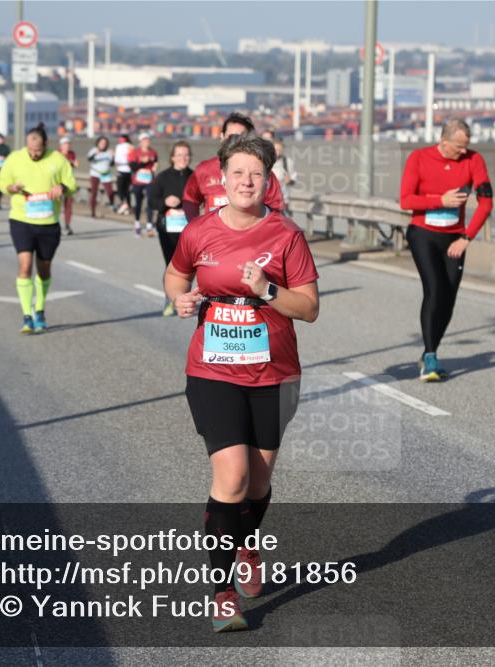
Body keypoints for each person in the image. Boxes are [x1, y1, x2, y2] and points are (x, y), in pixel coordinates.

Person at [164, 134, 319, 633]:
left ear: (268, 180)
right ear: (222, 178)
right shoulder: (200, 231)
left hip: (274, 372)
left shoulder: (287, 235)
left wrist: (267, 290)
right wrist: (181, 298)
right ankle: (223, 593)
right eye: (237, 173)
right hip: (212, 369)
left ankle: (247, 540)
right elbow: (174, 274)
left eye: (256, 174)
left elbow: (310, 308)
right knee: (230, 477)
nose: (246, 182)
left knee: (258, 482)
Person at [399, 119, 494, 381]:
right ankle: (430, 356)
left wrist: (466, 237)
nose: (464, 152)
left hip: (454, 238)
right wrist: (440, 200)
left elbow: (486, 201)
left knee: (449, 297)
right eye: (458, 147)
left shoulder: (473, 160)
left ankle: (430, 350)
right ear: (443, 141)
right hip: (423, 234)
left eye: (467, 146)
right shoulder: (419, 158)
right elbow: (405, 200)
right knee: (435, 289)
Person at [0, 123, 78, 334]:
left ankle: (39, 309)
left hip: (48, 223)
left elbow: (72, 185)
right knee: (24, 266)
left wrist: (63, 187)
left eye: (38, 150)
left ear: (46, 145)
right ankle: (26, 316)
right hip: (21, 220)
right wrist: (10, 187)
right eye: (30, 150)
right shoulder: (15, 158)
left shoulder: (58, 159)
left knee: (43, 269)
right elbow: (1, 181)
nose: (33, 154)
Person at [182, 112, 285, 220]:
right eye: (230, 136)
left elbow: (276, 204)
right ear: (222, 136)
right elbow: (190, 199)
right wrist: (196, 224)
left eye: (240, 137)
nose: (234, 142)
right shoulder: (204, 169)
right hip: (213, 233)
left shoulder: (262, 172)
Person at [147, 140, 193, 315]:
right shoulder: (163, 177)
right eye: (179, 154)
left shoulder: (195, 177)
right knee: (171, 266)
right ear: (172, 157)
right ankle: (170, 299)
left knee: (189, 267)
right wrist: (165, 203)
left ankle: (184, 299)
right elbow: (152, 201)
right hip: (167, 229)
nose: (183, 158)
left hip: (189, 230)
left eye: (186, 155)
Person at [128, 131, 158, 237]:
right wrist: (142, 162)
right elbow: (132, 167)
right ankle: (137, 224)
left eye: (148, 140)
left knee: (150, 201)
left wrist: (155, 167)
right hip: (138, 181)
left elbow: (155, 163)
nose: (147, 142)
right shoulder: (134, 153)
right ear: (140, 142)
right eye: (144, 140)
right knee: (138, 203)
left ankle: (149, 225)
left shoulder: (153, 153)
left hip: (150, 180)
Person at [86, 136, 115, 218]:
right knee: (94, 193)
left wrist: (113, 157)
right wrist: (96, 153)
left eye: (104, 143)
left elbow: (112, 164)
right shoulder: (94, 150)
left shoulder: (109, 152)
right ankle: (93, 212)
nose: (103, 145)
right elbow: (89, 159)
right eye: (101, 143)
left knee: (110, 192)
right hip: (95, 173)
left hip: (105, 174)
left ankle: (112, 205)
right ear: (98, 143)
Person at [58, 137, 79, 235]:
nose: (67, 146)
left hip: (69, 182)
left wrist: (74, 164)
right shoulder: (56, 154)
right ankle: (54, 224)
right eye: (65, 144)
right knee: (56, 204)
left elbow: (74, 164)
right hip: (57, 182)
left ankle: (67, 225)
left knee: (68, 205)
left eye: (68, 144)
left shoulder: (72, 154)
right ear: (61, 145)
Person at [270, 136, 297, 208]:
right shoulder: (265, 161)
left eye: (279, 149)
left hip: (282, 200)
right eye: (275, 149)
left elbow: (294, 178)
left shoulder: (287, 162)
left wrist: (289, 181)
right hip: (267, 200)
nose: (277, 152)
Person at [113, 133, 134, 215]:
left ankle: (124, 204)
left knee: (120, 189)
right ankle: (128, 207)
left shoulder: (119, 146)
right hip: (129, 170)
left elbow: (117, 159)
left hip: (121, 169)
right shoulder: (131, 146)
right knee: (127, 190)